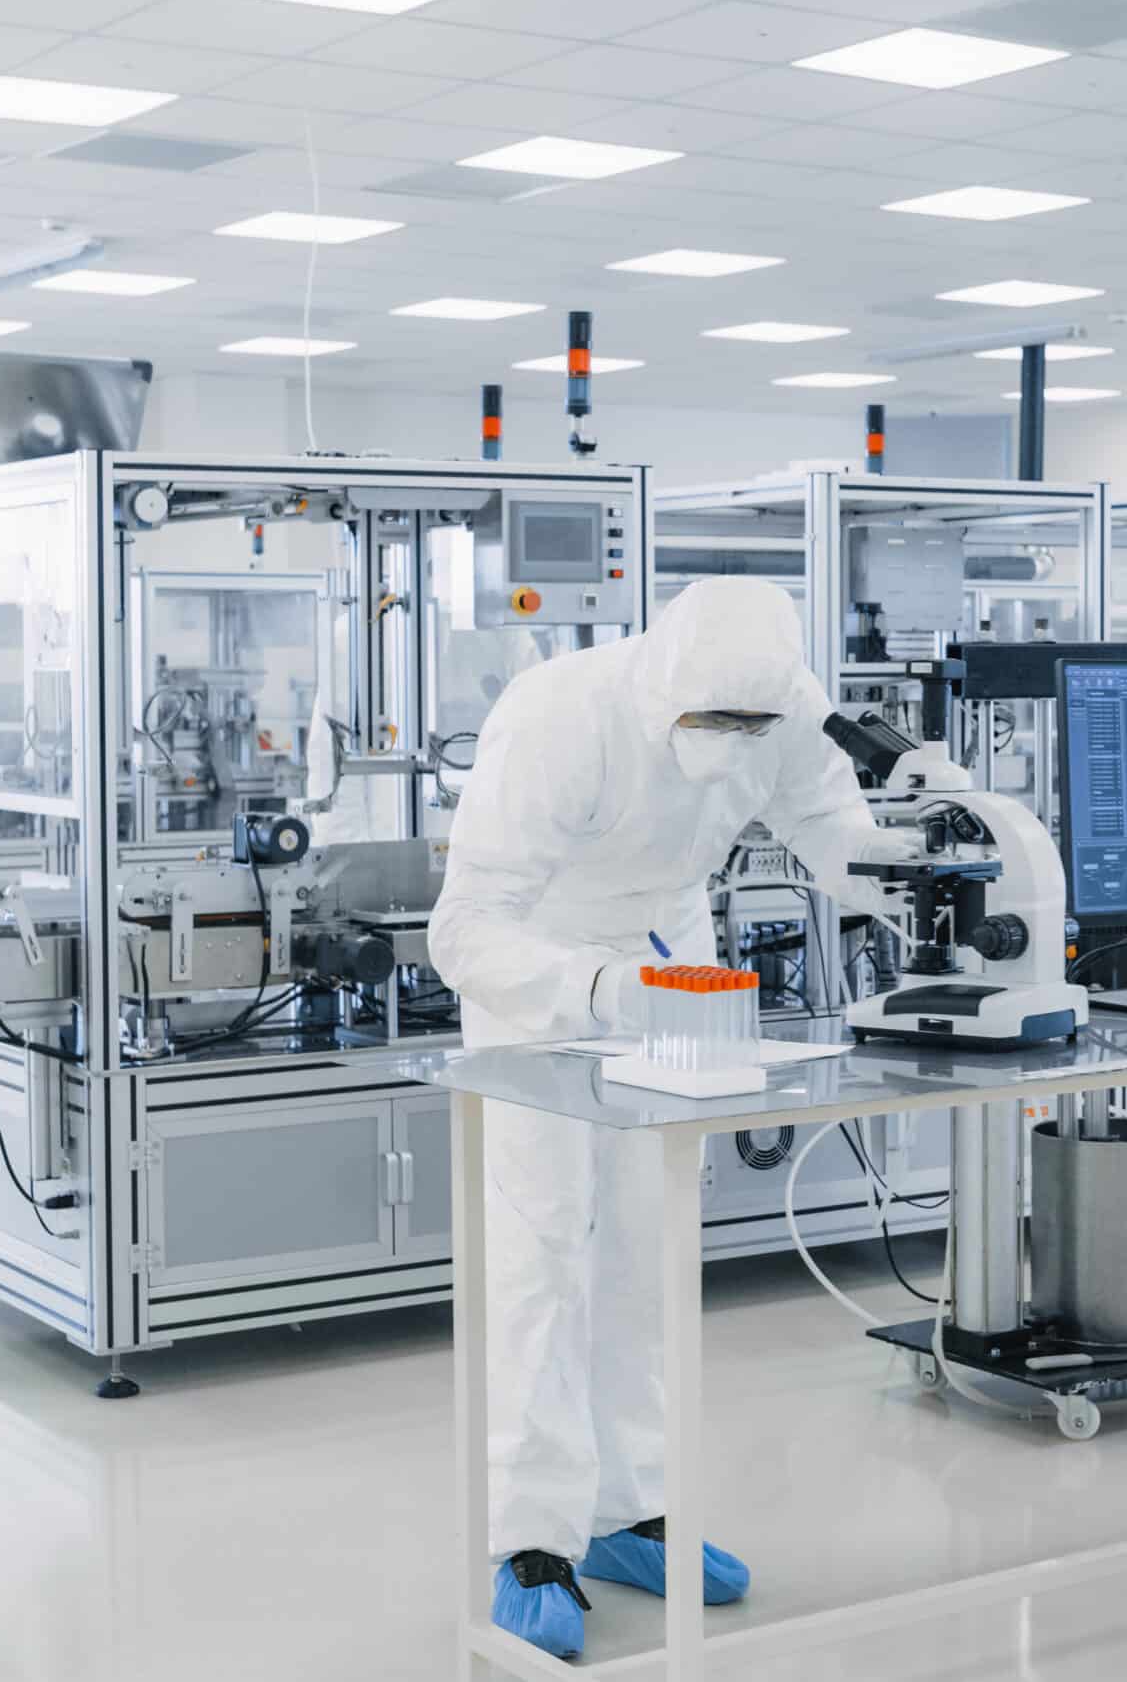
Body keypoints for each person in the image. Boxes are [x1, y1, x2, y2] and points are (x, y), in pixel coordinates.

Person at [430, 574, 915, 1659]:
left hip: (671, 953)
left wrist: (921, 867)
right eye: (713, 721)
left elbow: (834, 828)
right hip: (540, 967)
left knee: (649, 1245)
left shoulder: (788, 707)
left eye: (752, 723)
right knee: (544, 1248)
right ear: (662, 688)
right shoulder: (564, 714)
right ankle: (530, 1534)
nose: (733, 740)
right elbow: (463, 930)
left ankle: (631, 1506)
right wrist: (598, 991)